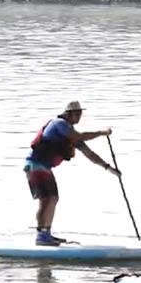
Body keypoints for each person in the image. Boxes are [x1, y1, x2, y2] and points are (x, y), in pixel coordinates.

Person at [24, 101, 121, 245]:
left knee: (53, 198)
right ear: (67, 114)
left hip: (44, 167)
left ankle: (47, 234)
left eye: (80, 114)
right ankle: (41, 236)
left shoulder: (70, 135)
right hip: (35, 165)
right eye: (76, 114)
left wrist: (108, 168)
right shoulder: (59, 124)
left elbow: (89, 154)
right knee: (47, 199)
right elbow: (81, 136)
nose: (79, 117)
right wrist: (101, 133)